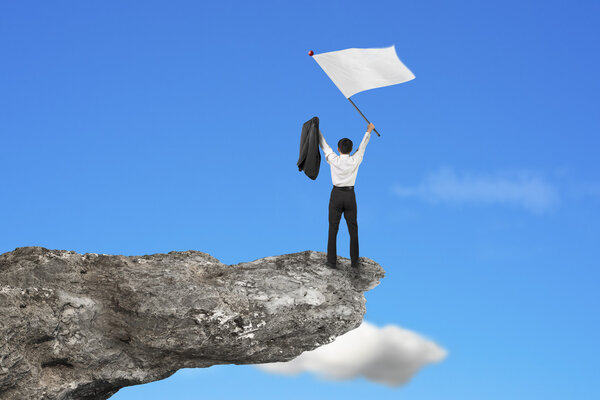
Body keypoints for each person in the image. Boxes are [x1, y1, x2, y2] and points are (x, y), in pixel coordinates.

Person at [318, 122, 374, 269]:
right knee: (353, 229)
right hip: (350, 195)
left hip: (336, 195)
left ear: (338, 149)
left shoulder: (334, 159)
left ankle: (331, 262)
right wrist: (369, 131)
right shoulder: (355, 160)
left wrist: (316, 130)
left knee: (333, 228)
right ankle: (355, 262)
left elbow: (324, 145)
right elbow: (362, 147)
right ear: (350, 150)